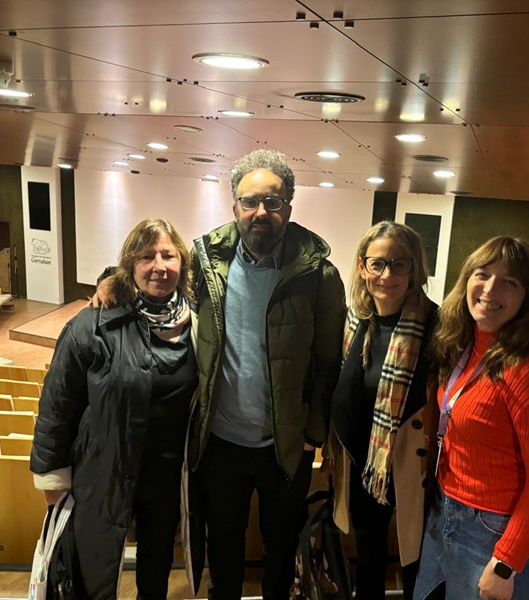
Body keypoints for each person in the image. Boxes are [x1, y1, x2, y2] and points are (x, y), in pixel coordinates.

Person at [92, 149, 346, 599]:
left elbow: (328, 362)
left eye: (273, 201)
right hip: (221, 443)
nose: (261, 212)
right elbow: (157, 271)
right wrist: (113, 278)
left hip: (286, 448)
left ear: (289, 206)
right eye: (250, 202)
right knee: (222, 551)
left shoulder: (319, 275)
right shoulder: (207, 261)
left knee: (281, 548)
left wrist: (312, 432)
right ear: (234, 207)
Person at [30, 218, 198, 600]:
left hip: (170, 475)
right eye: (147, 256)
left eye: (168, 255)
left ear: (182, 263)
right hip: (104, 469)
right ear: (130, 264)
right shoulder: (94, 323)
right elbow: (59, 401)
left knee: (156, 567)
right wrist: (53, 475)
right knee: (96, 567)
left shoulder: (200, 322)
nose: (159, 266)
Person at [414, 236, 529, 600]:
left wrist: (505, 561)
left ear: (527, 297)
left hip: (496, 528)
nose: (490, 288)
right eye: (482, 274)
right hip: (448, 508)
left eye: (509, 282)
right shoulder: (463, 346)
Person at [322, 221, 439, 599]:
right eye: (377, 264)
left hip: (414, 466)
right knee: (369, 559)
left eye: (399, 264)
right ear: (361, 266)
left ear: (414, 269)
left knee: (416, 563)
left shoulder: (437, 325)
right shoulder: (354, 320)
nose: (387, 275)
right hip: (365, 464)